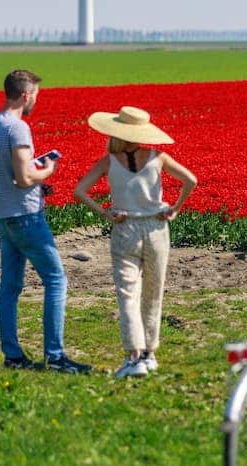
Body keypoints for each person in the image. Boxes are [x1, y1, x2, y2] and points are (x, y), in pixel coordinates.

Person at [0, 69, 91, 374]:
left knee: (10, 287)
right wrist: (47, 170)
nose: (35, 102)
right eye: (36, 95)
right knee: (56, 279)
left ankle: (12, 356)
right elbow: (25, 177)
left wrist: (28, 171)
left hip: (2, 215)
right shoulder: (18, 129)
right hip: (26, 216)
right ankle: (55, 357)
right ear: (26, 94)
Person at [74, 106, 197, 378]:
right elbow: (191, 180)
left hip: (125, 227)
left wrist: (105, 212)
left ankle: (133, 356)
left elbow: (80, 191)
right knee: (153, 292)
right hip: (156, 227)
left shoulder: (108, 161)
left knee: (128, 293)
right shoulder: (159, 156)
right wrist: (175, 207)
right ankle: (149, 354)